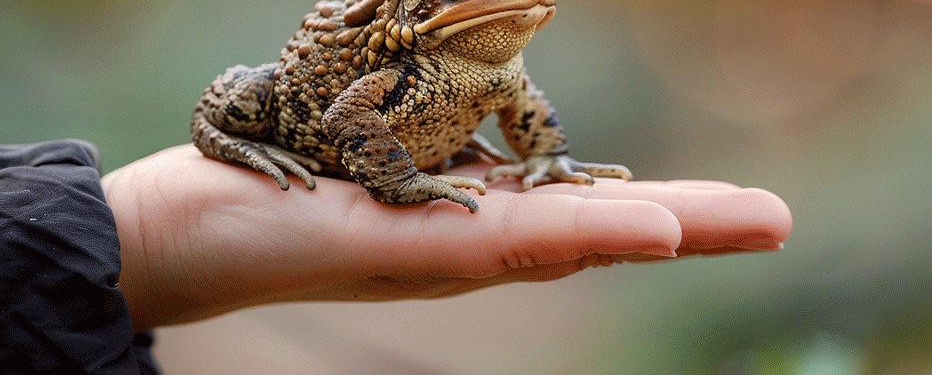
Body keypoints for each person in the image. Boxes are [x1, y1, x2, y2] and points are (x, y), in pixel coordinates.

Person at [1, 139, 791, 374]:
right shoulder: (407, 50)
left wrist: (544, 156)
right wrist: (143, 226)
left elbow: (521, 108)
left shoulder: (491, 59)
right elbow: (352, 111)